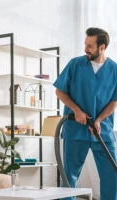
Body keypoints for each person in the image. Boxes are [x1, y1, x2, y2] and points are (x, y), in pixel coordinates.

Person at [53, 27, 117, 200]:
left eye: (90, 45)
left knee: (112, 175)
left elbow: (114, 101)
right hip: (75, 128)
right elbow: (59, 91)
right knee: (69, 177)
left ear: (101, 47)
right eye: (85, 44)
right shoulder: (75, 64)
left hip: (102, 131)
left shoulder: (114, 70)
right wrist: (76, 110)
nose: (85, 49)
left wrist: (99, 120)